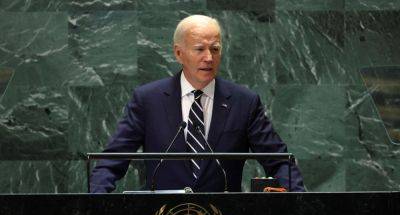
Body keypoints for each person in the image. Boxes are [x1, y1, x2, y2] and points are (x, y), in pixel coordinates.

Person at [90, 15, 305, 193]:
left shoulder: (244, 102)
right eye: (199, 49)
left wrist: (303, 202)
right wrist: (92, 205)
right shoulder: (148, 100)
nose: (209, 58)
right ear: (178, 53)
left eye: (215, 49)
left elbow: (279, 161)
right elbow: (111, 161)